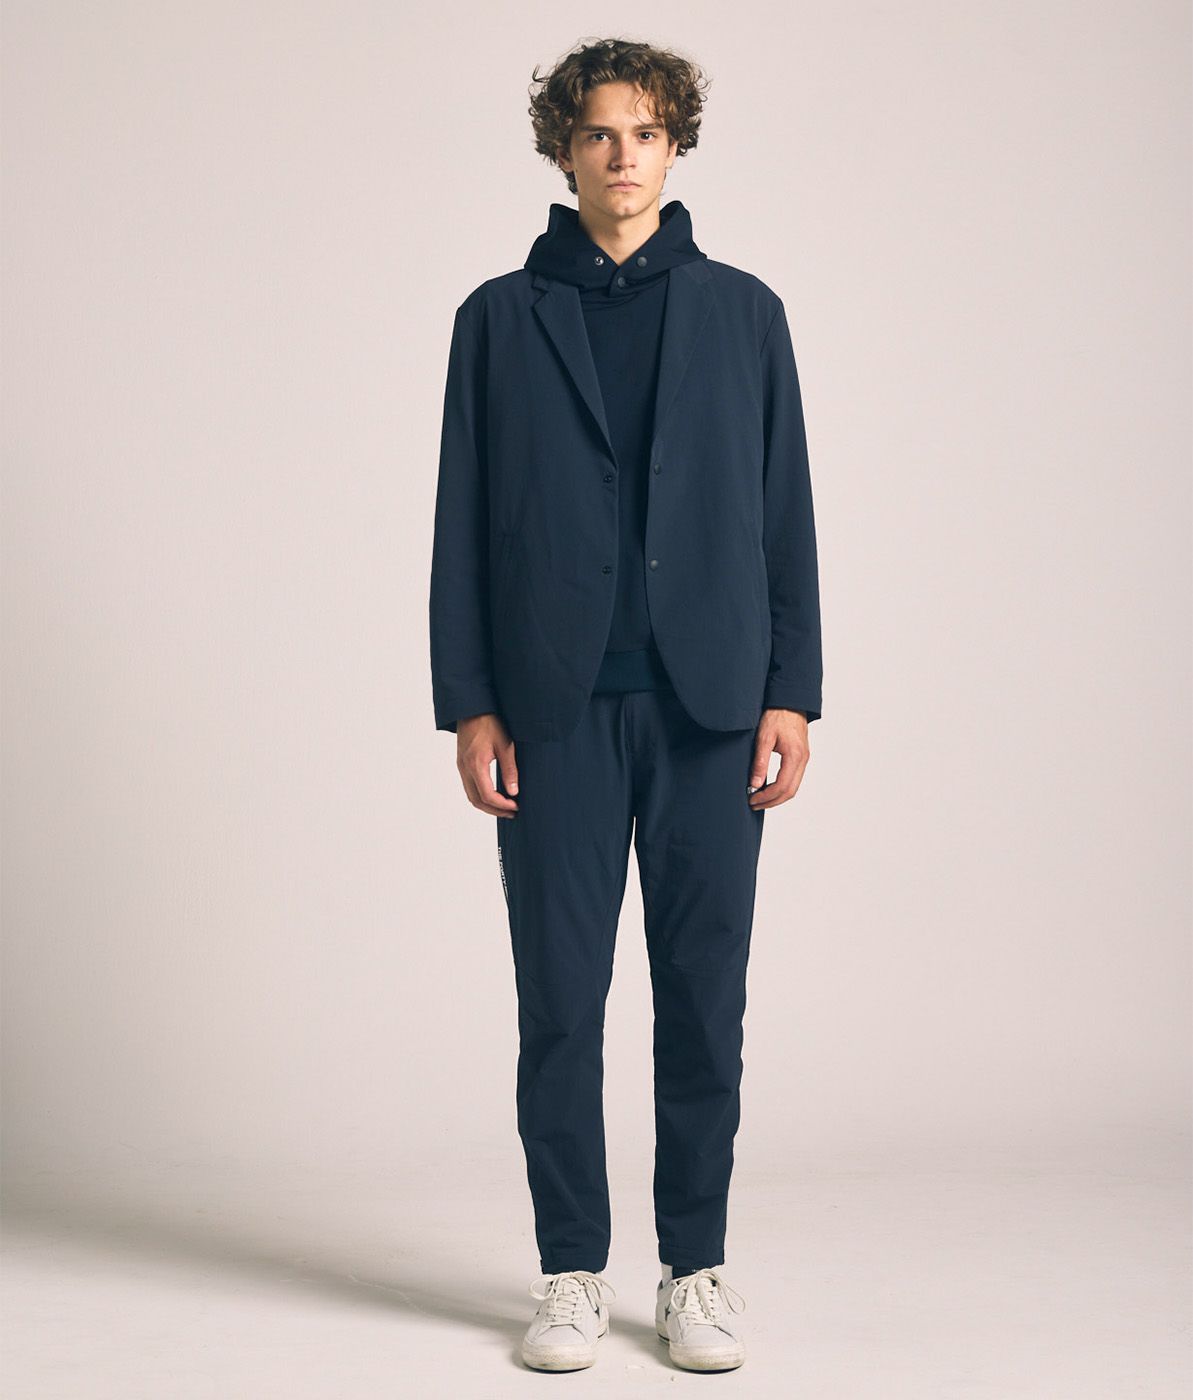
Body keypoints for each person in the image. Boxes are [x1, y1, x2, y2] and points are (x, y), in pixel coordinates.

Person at [428, 36, 822, 1374]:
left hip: (712, 708)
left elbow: (782, 511)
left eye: (644, 133)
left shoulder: (743, 314)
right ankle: (569, 1272)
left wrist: (792, 690)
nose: (621, 156)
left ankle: (695, 1268)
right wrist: (471, 704)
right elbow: (462, 523)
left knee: (703, 999)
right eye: (598, 132)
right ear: (563, 148)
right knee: (560, 1001)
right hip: (552, 712)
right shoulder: (497, 320)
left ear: (674, 146)